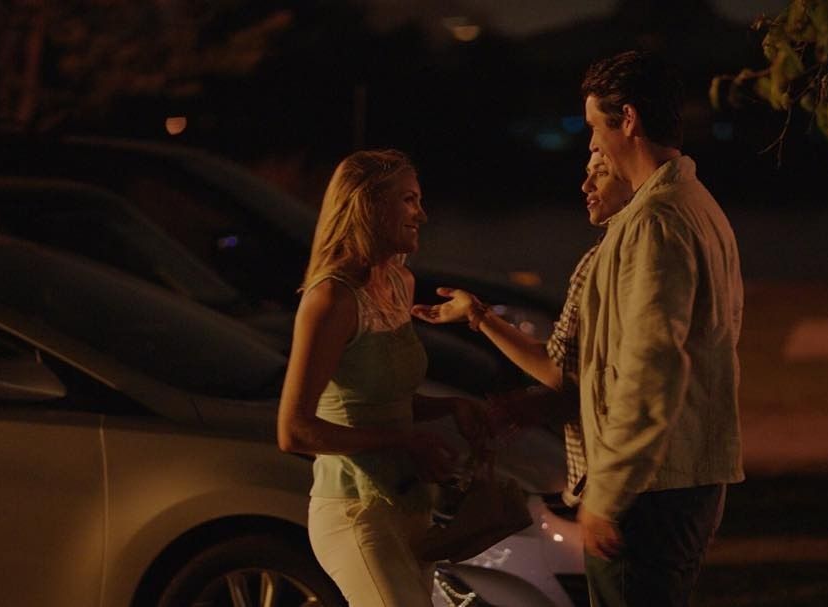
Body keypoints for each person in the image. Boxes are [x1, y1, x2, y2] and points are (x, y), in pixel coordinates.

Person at [276, 149, 486, 607]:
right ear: (369, 205)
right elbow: (294, 431)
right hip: (356, 511)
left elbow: (385, 399)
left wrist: (452, 407)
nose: (422, 215)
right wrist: (405, 443)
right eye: (409, 200)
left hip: (411, 505)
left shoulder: (399, 282)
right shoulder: (331, 299)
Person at [577, 50, 745, 607]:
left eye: (595, 126)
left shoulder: (656, 221)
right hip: (684, 476)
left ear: (627, 119)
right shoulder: (698, 205)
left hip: (652, 487)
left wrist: (607, 491)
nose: (593, 143)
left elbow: (651, 363)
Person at [411, 151, 633, 505]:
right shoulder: (646, 247)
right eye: (408, 201)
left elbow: (563, 370)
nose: (585, 185)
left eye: (601, 173)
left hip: (614, 480)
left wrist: (480, 318)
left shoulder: (606, 261)